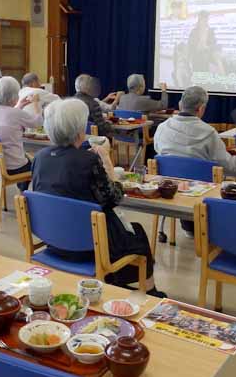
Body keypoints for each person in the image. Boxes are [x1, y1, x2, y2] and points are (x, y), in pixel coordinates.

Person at [31, 99, 165, 297]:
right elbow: (114, 198)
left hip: (53, 240)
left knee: (112, 228)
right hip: (89, 246)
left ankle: (113, 282)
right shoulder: (89, 160)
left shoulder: (40, 157)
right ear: (79, 130)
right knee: (135, 232)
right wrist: (108, 164)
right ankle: (150, 290)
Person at [154, 85, 236, 174]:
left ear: (180, 104)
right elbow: (231, 166)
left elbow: (158, 150)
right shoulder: (209, 132)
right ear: (202, 108)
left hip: (167, 183)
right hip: (200, 186)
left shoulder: (162, 127)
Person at [0, 77, 42, 190]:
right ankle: (24, 193)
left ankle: (22, 191)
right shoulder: (16, 113)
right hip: (13, 167)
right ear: (14, 96)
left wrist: (19, 105)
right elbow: (38, 122)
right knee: (37, 164)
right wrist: (36, 103)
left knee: (26, 158)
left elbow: (7, 116)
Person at [74, 74, 114, 138]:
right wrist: (110, 124)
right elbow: (101, 128)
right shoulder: (93, 104)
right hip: (91, 140)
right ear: (89, 87)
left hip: (74, 139)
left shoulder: (69, 102)